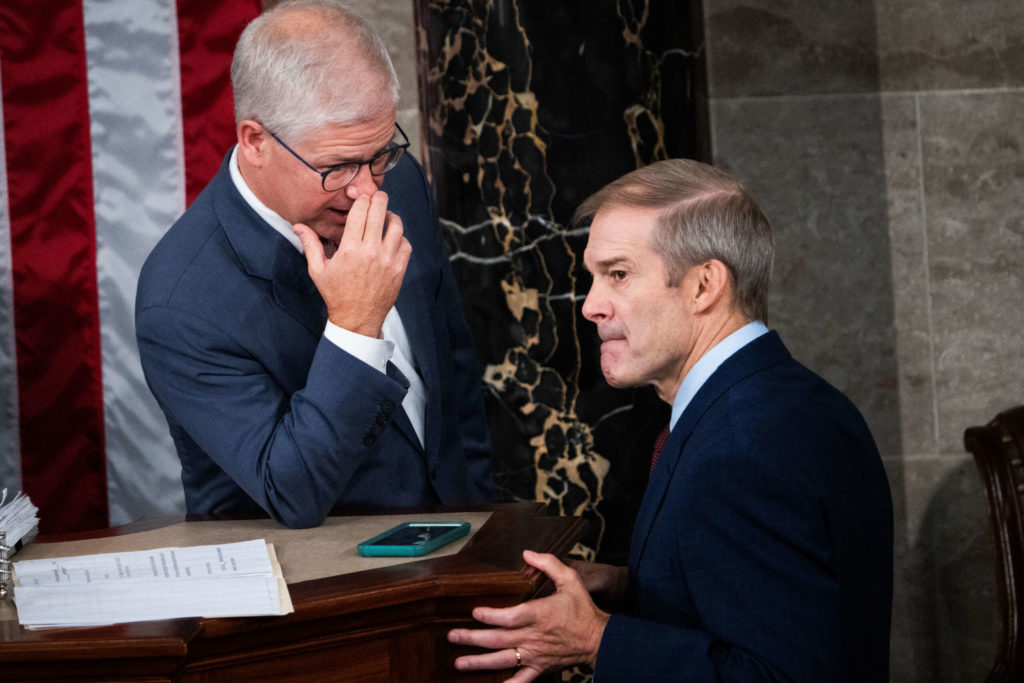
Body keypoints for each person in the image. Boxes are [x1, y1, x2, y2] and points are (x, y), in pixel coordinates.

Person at [447, 159, 893, 681]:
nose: (591, 305)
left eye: (618, 274)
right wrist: (628, 586)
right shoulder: (784, 399)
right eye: (592, 278)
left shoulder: (743, 446)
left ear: (704, 286)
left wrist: (595, 640)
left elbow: (780, 674)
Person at [135, 0, 493, 529]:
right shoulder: (181, 301)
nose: (368, 189)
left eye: (379, 155)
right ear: (255, 142)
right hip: (321, 594)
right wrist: (355, 327)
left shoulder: (398, 177)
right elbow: (292, 492)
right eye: (339, 166)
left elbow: (454, 376)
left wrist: (483, 518)